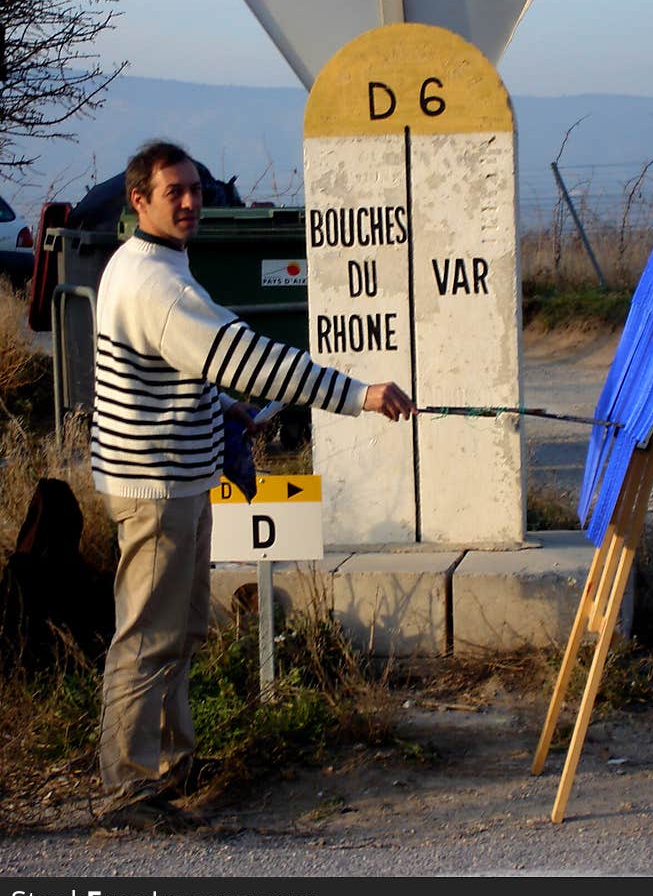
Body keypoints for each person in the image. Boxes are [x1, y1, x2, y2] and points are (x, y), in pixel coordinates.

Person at [92, 140, 416, 830]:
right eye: (173, 191)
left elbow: (181, 369)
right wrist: (359, 394)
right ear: (138, 201)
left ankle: (174, 763)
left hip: (173, 476)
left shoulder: (154, 266)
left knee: (179, 628)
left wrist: (219, 408)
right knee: (148, 635)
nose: (188, 202)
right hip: (156, 486)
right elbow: (247, 358)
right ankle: (126, 788)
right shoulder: (157, 282)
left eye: (195, 191)